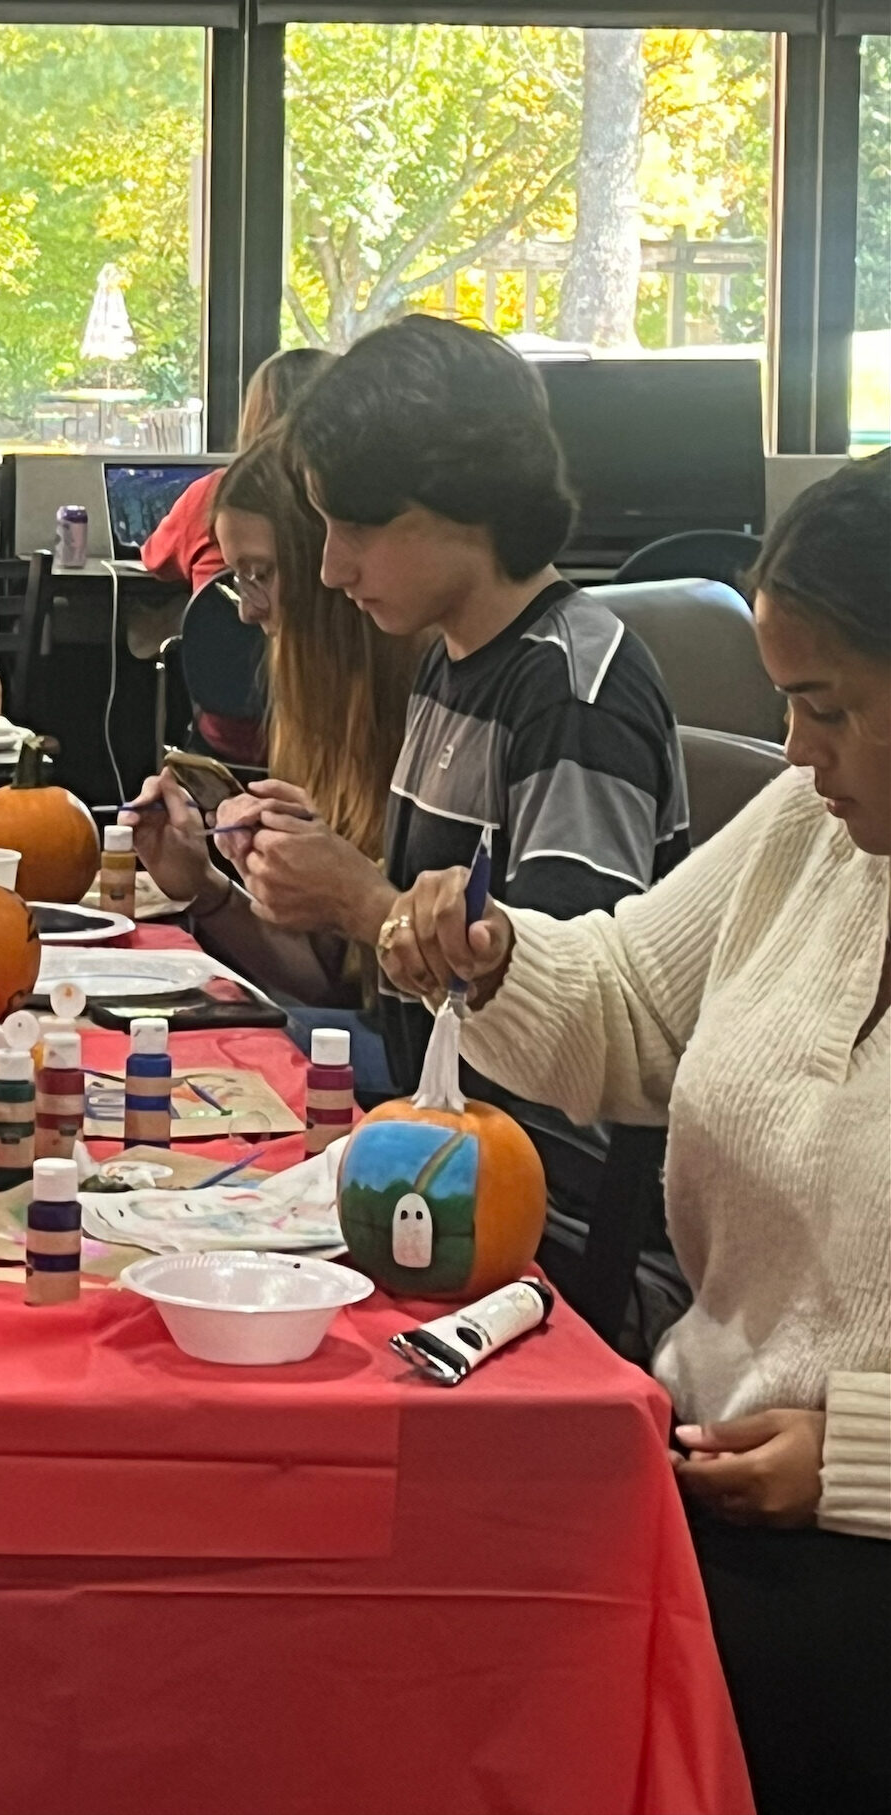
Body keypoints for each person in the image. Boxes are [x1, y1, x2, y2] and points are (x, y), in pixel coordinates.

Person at [378, 451, 890, 1815]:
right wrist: (489, 957)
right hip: (710, 1479)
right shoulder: (810, 835)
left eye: (824, 705)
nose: (792, 750)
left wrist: (855, 1456)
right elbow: (621, 1005)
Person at [138, 317, 690, 1304]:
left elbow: (565, 1054)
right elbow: (387, 994)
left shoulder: (572, 692)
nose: (333, 569)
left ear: (458, 507)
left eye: (354, 530)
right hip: (421, 1156)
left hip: (516, 1227)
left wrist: (363, 900)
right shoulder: (449, 664)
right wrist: (231, 894)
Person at [125, 422, 424, 1003]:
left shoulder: (427, 710)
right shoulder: (311, 709)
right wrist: (208, 888)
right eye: (239, 579)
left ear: (331, 561)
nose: (245, 610)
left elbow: (390, 1020)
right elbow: (324, 984)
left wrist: (353, 895)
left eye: (260, 574)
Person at [140, 348, 333, 596]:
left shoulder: (218, 492)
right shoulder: (345, 494)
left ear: (255, 413)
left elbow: (156, 559)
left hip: (221, 633)